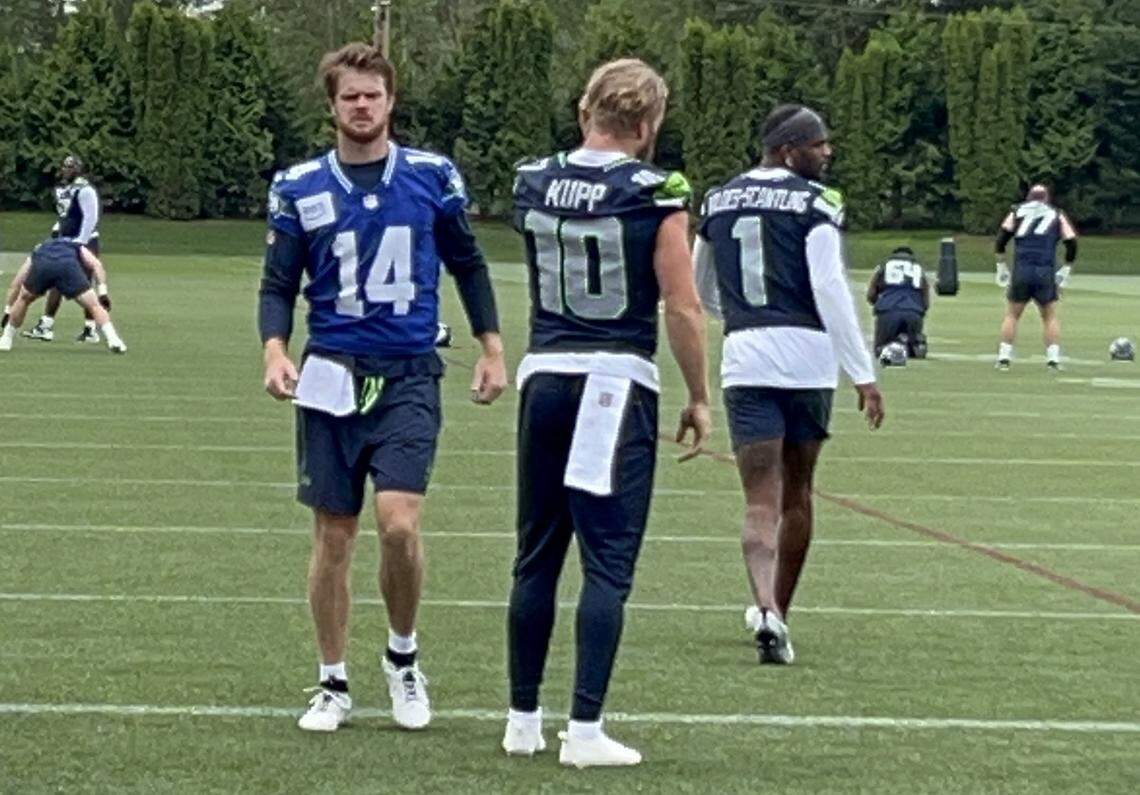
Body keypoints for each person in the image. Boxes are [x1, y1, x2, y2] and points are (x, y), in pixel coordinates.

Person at [257, 42, 507, 734]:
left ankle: (403, 657)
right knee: (333, 534)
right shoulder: (299, 186)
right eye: (349, 96)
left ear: (390, 101)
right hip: (332, 371)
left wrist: (491, 346)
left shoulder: (432, 176)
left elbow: (468, 262)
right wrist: (275, 349)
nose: (361, 106)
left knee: (399, 524)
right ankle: (332, 680)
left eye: (372, 94)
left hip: (407, 373)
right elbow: (279, 284)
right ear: (332, 105)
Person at [503, 58, 711, 767]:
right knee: (606, 563)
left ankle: (521, 718)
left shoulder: (531, 177)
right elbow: (681, 303)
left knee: (535, 557)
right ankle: (585, 730)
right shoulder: (657, 191)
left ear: (585, 107)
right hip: (612, 382)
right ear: (647, 123)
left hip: (544, 374)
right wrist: (700, 394)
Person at [693, 103, 884, 666]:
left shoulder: (718, 198)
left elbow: (700, 286)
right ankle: (780, 612)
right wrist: (864, 372)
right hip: (807, 360)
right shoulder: (815, 202)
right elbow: (829, 286)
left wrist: (745, 317)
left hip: (746, 356)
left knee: (758, 499)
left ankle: (763, 605)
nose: (826, 152)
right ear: (785, 150)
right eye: (817, 144)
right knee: (797, 493)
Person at [994, 184, 1078, 370]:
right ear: (1046, 198)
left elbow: (1001, 239)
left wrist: (1001, 265)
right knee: (1049, 316)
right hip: (1044, 270)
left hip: (1022, 269)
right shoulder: (1056, 214)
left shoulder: (1016, 211)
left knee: (1012, 315)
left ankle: (1004, 358)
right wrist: (1066, 267)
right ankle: (1053, 360)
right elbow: (1071, 241)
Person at [23, 155, 105, 344]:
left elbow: (90, 219)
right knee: (60, 282)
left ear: (78, 169)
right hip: (67, 241)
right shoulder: (67, 189)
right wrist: (57, 230)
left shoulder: (85, 190)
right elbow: (66, 216)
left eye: (70, 167)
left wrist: (80, 242)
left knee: (83, 284)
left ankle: (88, 328)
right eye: (65, 166)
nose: (66, 170)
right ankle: (49, 325)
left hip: (83, 242)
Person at [0, 238, 125, 353]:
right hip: (67, 267)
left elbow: (16, 283)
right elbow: (96, 265)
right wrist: (103, 292)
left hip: (44, 266)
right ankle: (114, 340)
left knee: (24, 299)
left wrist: (8, 310)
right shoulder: (76, 246)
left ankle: (6, 338)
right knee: (94, 306)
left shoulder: (40, 248)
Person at [866, 245, 930, 358]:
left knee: (880, 351)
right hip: (913, 311)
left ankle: (894, 343)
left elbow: (871, 295)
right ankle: (915, 343)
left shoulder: (883, 267)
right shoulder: (919, 269)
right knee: (912, 351)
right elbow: (925, 300)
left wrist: (879, 304)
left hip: (888, 310)